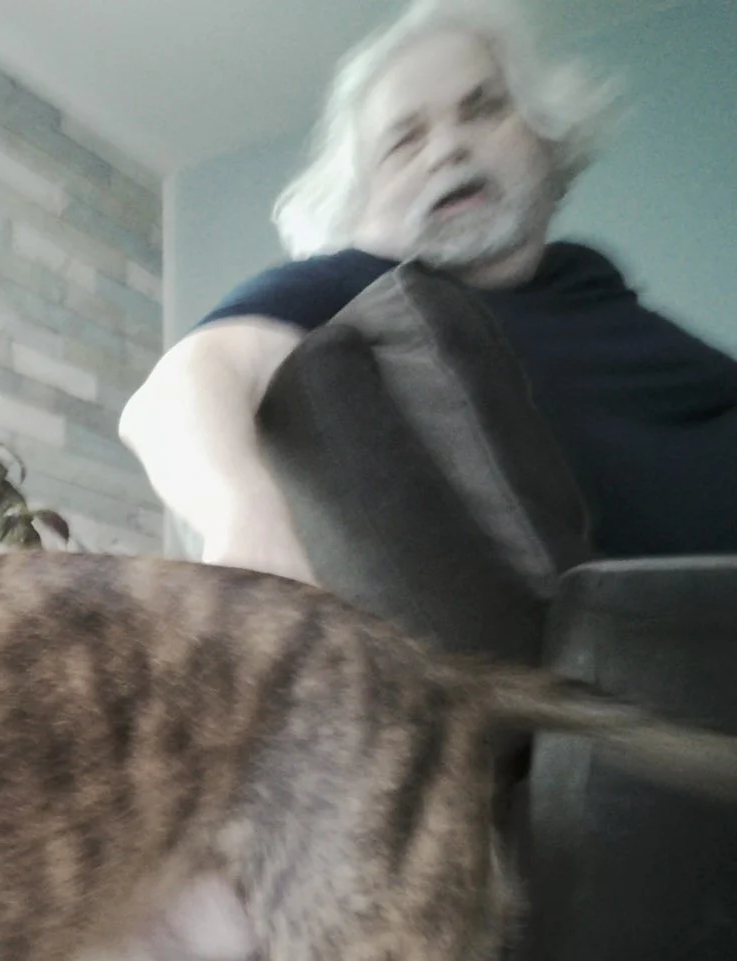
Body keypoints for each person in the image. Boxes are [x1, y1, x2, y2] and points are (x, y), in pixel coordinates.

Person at [119, 0, 737, 578]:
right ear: (362, 202)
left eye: (483, 109)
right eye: (404, 139)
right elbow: (173, 397)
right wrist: (247, 522)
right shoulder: (360, 280)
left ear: (544, 140)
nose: (449, 148)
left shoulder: (591, 282)